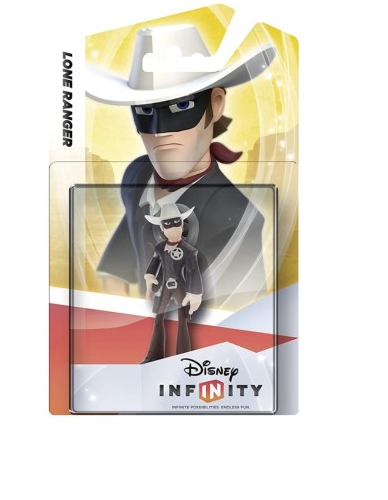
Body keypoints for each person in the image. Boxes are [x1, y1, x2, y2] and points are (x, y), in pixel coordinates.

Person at [85, 23, 275, 305]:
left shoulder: (237, 218)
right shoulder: (138, 175)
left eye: (182, 106)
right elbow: (118, 267)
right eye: (145, 109)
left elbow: (241, 314)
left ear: (216, 104)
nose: (160, 132)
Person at [141, 205, 202, 363]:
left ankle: (183, 356)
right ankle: (153, 355)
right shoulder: (159, 248)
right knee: (158, 320)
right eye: (168, 224)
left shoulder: (189, 250)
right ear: (162, 228)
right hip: (164, 288)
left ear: (182, 224)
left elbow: (193, 271)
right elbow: (153, 265)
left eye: (177, 222)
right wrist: (149, 283)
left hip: (181, 288)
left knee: (182, 321)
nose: (174, 227)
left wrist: (195, 294)